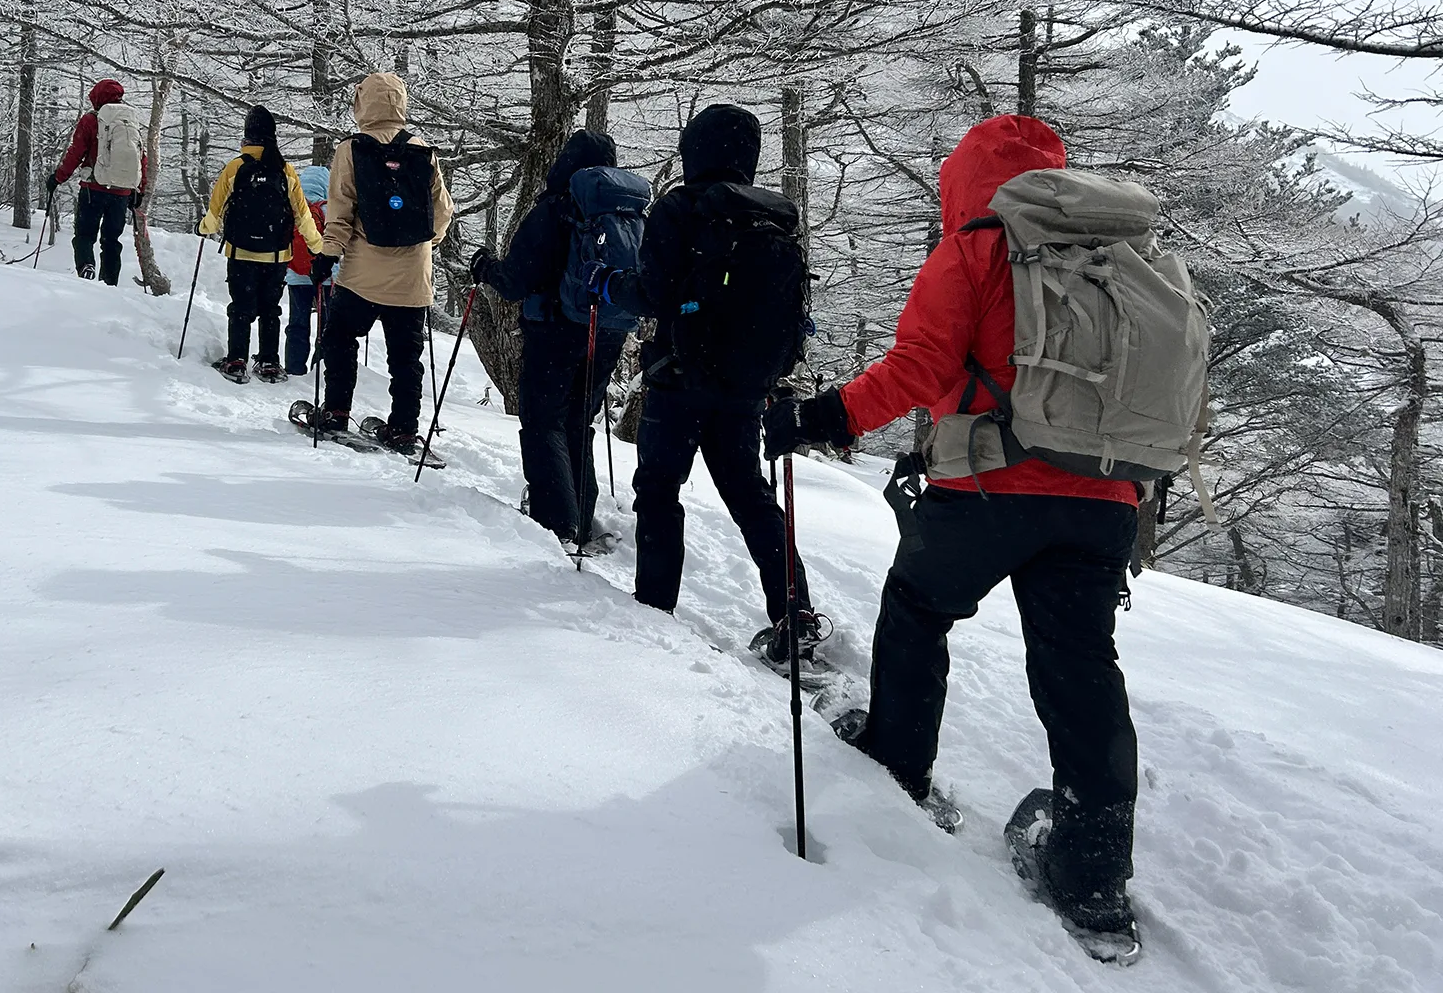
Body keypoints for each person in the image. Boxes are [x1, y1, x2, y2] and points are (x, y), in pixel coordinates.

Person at [762, 114, 1142, 945]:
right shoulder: (1123, 257)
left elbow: (918, 368)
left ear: (965, 182)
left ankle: (897, 763)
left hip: (989, 489)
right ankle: (1094, 872)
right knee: (1081, 666)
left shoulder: (973, 248)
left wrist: (819, 416)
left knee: (917, 608)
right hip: (1107, 496)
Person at [583, 102, 820, 662]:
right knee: (751, 498)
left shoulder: (681, 207)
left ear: (694, 149)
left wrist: (611, 286)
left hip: (679, 379)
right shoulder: (776, 216)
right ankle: (796, 613)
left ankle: (654, 607)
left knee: (660, 491)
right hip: (744, 386)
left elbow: (657, 293)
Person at [469, 129, 634, 546]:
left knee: (544, 422)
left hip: (555, 329)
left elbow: (517, 280)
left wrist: (487, 268)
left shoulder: (557, 207)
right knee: (579, 421)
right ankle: (580, 510)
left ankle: (558, 522)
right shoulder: (628, 215)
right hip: (608, 330)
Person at [309, 72, 453, 452]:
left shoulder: (351, 149)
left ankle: (337, 411)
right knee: (406, 359)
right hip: (412, 280)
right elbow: (442, 214)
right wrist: (422, 245)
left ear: (362, 104)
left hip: (363, 276)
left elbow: (340, 213)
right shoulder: (423, 151)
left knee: (340, 339)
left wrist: (329, 255)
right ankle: (404, 428)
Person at [199, 106, 323, 384]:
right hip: (276, 255)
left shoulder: (235, 167)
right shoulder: (285, 170)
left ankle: (236, 360)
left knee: (241, 307)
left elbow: (214, 213)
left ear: (247, 135)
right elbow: (302, 215)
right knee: (270, 309)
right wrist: (317, 246)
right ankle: (268, 362)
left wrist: (203, 228)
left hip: (241, 252)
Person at [48, 79, 149, 285]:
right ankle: (109, 283)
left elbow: (75, 153)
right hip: (122, 192)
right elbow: (141, 157)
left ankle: (86, 267)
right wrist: (140, 189)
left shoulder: (91, 120)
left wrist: (58, 178)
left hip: (92, 188)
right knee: (111, 241)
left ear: (96, 97)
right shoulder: (131, 120)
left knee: (85, 235)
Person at [284, 163, 333, 377]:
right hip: (327, 276)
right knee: (327, 326)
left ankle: (294, 367)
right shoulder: (329, 209)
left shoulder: (293, 208)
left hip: (296, 275)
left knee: (297, 323)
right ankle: (321, 368)